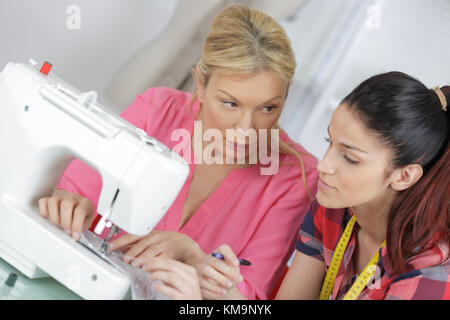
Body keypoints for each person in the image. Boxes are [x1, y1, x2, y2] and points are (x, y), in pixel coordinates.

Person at [37, 5, 318, 300]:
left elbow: (249, 302)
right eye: (230, 104)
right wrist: (67, 204)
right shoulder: (158, 111)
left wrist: (194, 257)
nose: (246, 129)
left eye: (268, 108)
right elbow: (71, 190)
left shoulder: (296, 178)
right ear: (200, 84)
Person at [145, 72, 449, 300]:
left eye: (350, 158)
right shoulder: (334, 212)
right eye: (330, 143)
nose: (324, 166)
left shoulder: (428, 276)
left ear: (404, 176)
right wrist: (221, 292)